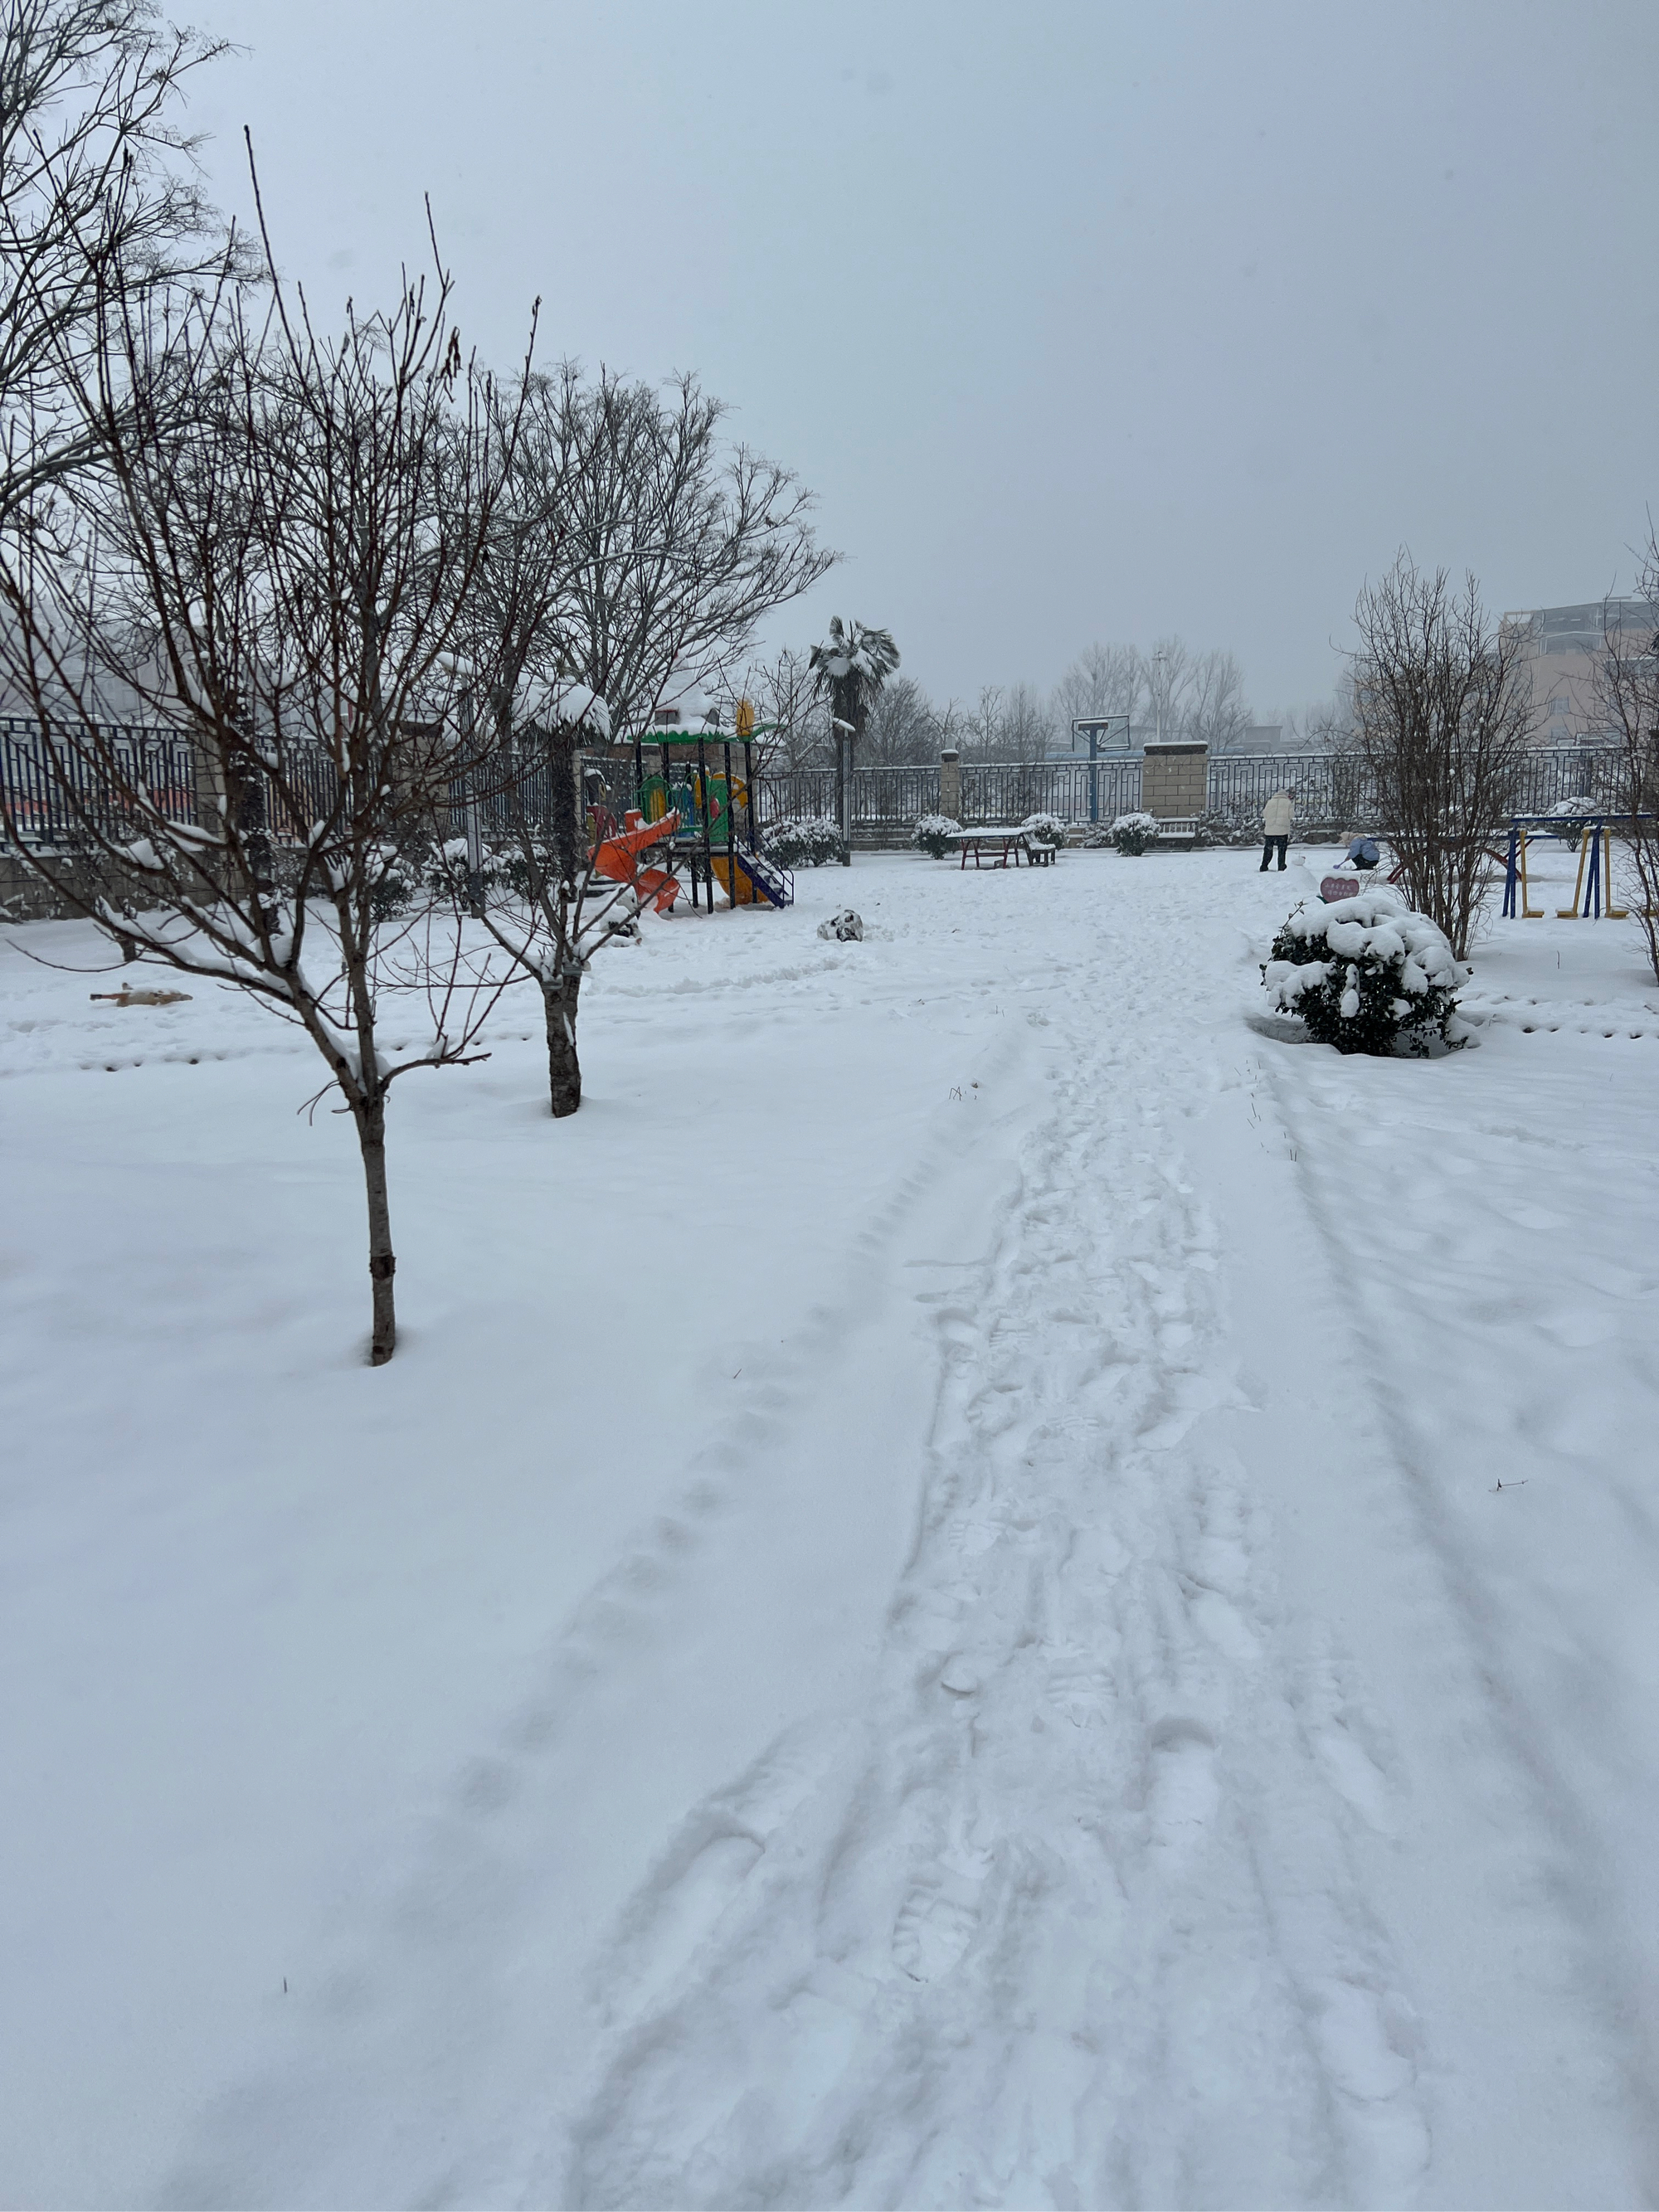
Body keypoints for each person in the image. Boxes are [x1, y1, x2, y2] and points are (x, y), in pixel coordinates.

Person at [1259, 787, 1294, 871]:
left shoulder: (1270, 802)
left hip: (1270, 831)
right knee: (1281, 850)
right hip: (1282, 831)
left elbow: (1265, 814)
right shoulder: (1288, 803)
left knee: (1268, 849)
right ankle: (1281, 866)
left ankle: (1264, 866)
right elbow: (1291, 815)